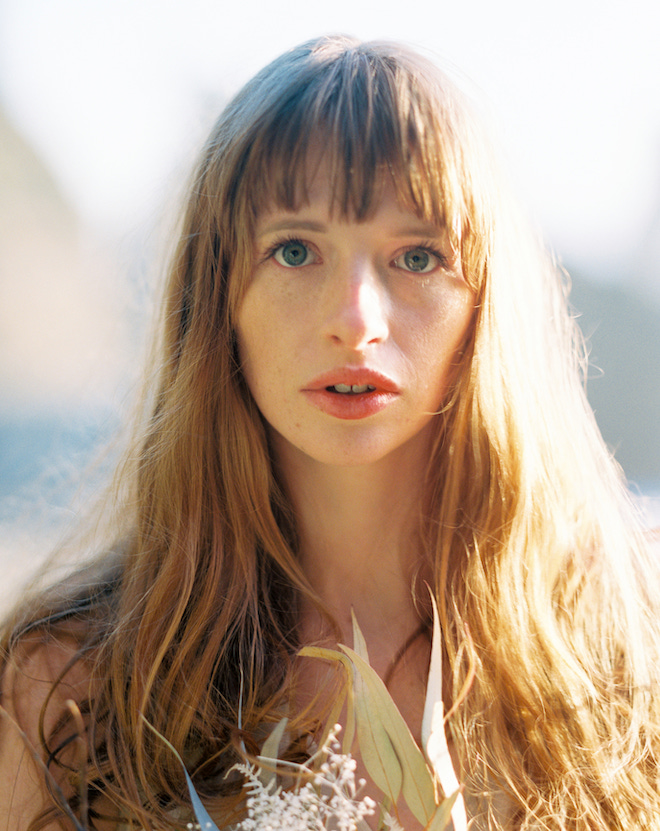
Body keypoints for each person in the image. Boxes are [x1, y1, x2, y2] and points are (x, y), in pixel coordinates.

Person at [1, 34, 659, 831]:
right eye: (295, 249)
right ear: (217, 305)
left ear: (488, 303)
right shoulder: (65, 690)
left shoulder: (624, 667)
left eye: (417, 256)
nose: (355, 320)